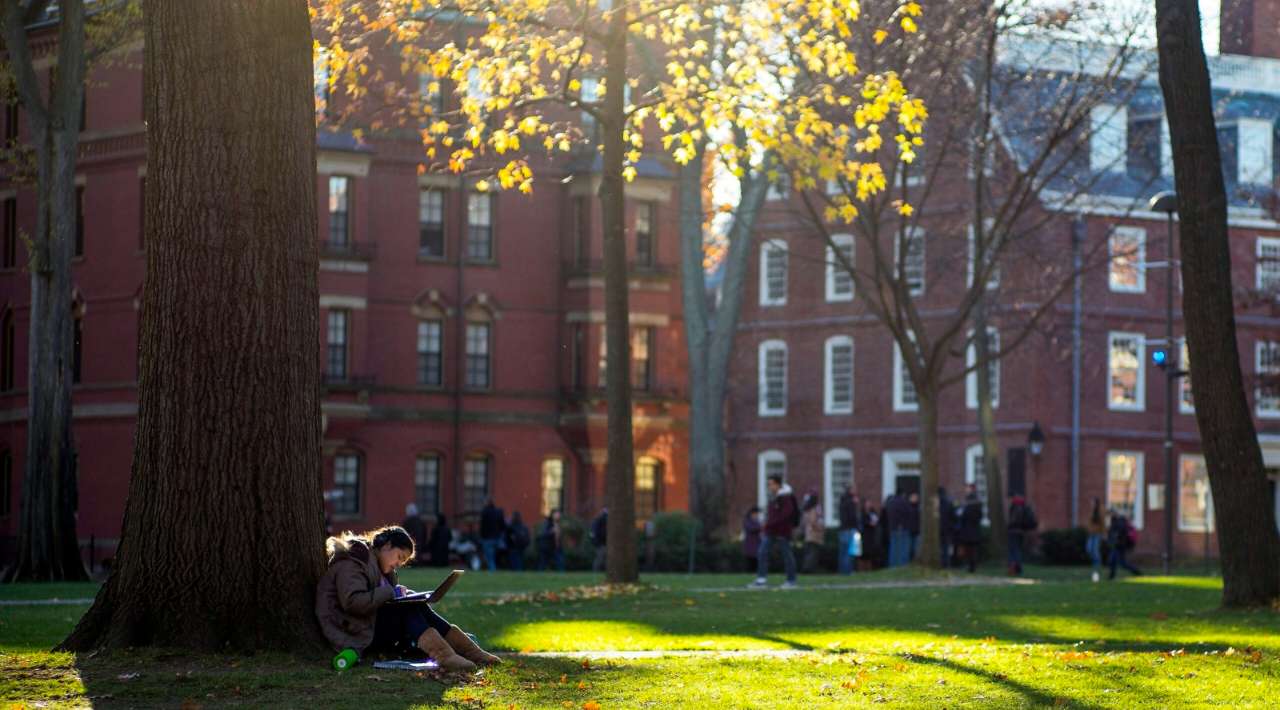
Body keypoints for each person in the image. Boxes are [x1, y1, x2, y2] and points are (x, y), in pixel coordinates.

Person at [315, 526, 500, 672]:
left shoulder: (375, 563)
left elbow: (380, 596)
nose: (398, 564)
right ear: (387, 546)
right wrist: (391, 593)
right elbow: (353, 602)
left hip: (365, 624)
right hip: (351, 631)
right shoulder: (355, 559)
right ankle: (445, 656)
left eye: (402, 561)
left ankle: (472, 652)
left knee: (416, 606)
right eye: (399, 557)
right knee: (406, 608)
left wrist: (401, 595)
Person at [750, 473, 799, 588]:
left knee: (787, 555)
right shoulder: (774, 496)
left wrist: (769, 524)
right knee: (762, 552)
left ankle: (791, 581)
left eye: (771, 484)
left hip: (782, 531)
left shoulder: (786, 497)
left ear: (778, 484)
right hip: (771, 530)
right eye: (768, 484)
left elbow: (786, 515)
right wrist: (768, 523)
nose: (769, 486)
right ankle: (761, 580)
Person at [1007, 494, 1038, 576]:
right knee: (1017, 550)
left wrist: (1009, 526)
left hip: (1013, 531)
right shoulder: (1025, 507)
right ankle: (1018, 569)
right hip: (1022, 532)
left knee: (1013, 550)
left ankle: (1013, 569)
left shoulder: (1016, 507)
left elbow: (1013, 521)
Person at [1107, 509, 1143, 579]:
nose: (1110, 515)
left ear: (1114, 513)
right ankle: (1111, 576)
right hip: (1117, 545)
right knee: (1114, 561)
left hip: (1120, 545)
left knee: (1120, 562)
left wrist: (1115, 538)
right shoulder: (1114, 521)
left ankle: (1137, 572)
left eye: (1111, 513)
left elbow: (1119, 533)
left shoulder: (1119, 522)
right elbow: (1112, 533)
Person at [956, 484, 984, 573]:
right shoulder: (978, 504)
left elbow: (963, 516)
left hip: (968, 530)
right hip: (975, 530)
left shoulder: (968, 505)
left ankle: (970, 566)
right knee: (973, 549)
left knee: (969, 549)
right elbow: (980, 516)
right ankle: (973, 566)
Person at [837, 488, 862, 575]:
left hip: (842, 529)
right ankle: (848, 571)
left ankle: (842, 571)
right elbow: (852, 517)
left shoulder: (842, 501)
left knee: (843, 552)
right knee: (850, 551)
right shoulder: (851, 502)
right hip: (850, 529)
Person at [885, 492, 912, 568]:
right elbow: (909, 513)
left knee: (893, 547)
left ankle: (893, 564)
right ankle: (902, 564)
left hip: (893, 527)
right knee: (903, 547)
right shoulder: (903, 502)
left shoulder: (890, 503)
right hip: (902, 527)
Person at [800, 492, 825, 574]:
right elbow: (813, 521)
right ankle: (809, 569)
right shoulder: (813, 509)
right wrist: (820, 528)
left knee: (809, 552)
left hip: (808, 534)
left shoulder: (806, 509)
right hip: (813, 534)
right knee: (813, 553)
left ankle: (807, 568)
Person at [479, 499, 507, 571]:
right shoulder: (498, 512)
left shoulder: (485, 512)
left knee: (489, 557)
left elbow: (482, 527)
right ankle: (493, 569)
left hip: (487, 538)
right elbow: (503, 525)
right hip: (496, 538)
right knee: (494, 556)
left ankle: (492, 570)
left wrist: (481, 536)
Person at [1086, 498, 1107, 583]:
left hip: (1098, 534)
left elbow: (1103, 523)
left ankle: (1097, 567)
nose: (1091, 504)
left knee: (1095, 551)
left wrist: (1104, 534)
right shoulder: (1092, 511)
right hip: (1091, 534)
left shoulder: (1100, 511)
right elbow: (1089, 522)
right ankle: (1096, 563)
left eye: (1092, 502)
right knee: (1088, 549)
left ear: (1096, 503)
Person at [938, 487, 957, 568]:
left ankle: (940, 563)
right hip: (947, 529)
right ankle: (946, 564)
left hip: (938, 528)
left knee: (939, 547)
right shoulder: (949, 502)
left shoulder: (936, 502)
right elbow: (954, 516)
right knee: (946, 547)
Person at [742, 506, 763, 573]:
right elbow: (751, 529)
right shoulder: (747, 521)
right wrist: (761, 527)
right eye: (755, 514)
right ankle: (749, 574)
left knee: (756, 562)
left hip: (757, 545)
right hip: (750, 545)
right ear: (751, 514)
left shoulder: (757, 522)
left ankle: (755, 574)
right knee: (750, 562)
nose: (756, 515)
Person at [861, 501, 882, 570]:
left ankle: (871, 567)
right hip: (865, 535)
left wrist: (874, 523)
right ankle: (864, 568)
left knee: (871, 551)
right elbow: (863, 522)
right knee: (865, 552)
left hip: (872, 535)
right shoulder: (863, 513)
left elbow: (877, 520)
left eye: (869, 503)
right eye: (867, 504)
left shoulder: (873, 512)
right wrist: (869, 523)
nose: (868, 505)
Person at [590, 507, 609, 572]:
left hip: (603, 542)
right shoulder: (600, 520)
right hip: (601, 543)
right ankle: (596, 571)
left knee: (604, 558)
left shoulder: (599, 519)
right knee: (600, 558)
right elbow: (594, 532)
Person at [906, 491, 922, 562]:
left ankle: (915, 561)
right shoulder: (907, 507)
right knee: (909, 548)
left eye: (916, 497)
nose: (915, 498)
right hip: (909, 530)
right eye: (913, 497)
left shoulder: (919, 507)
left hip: (917, 531)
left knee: (916, 548)